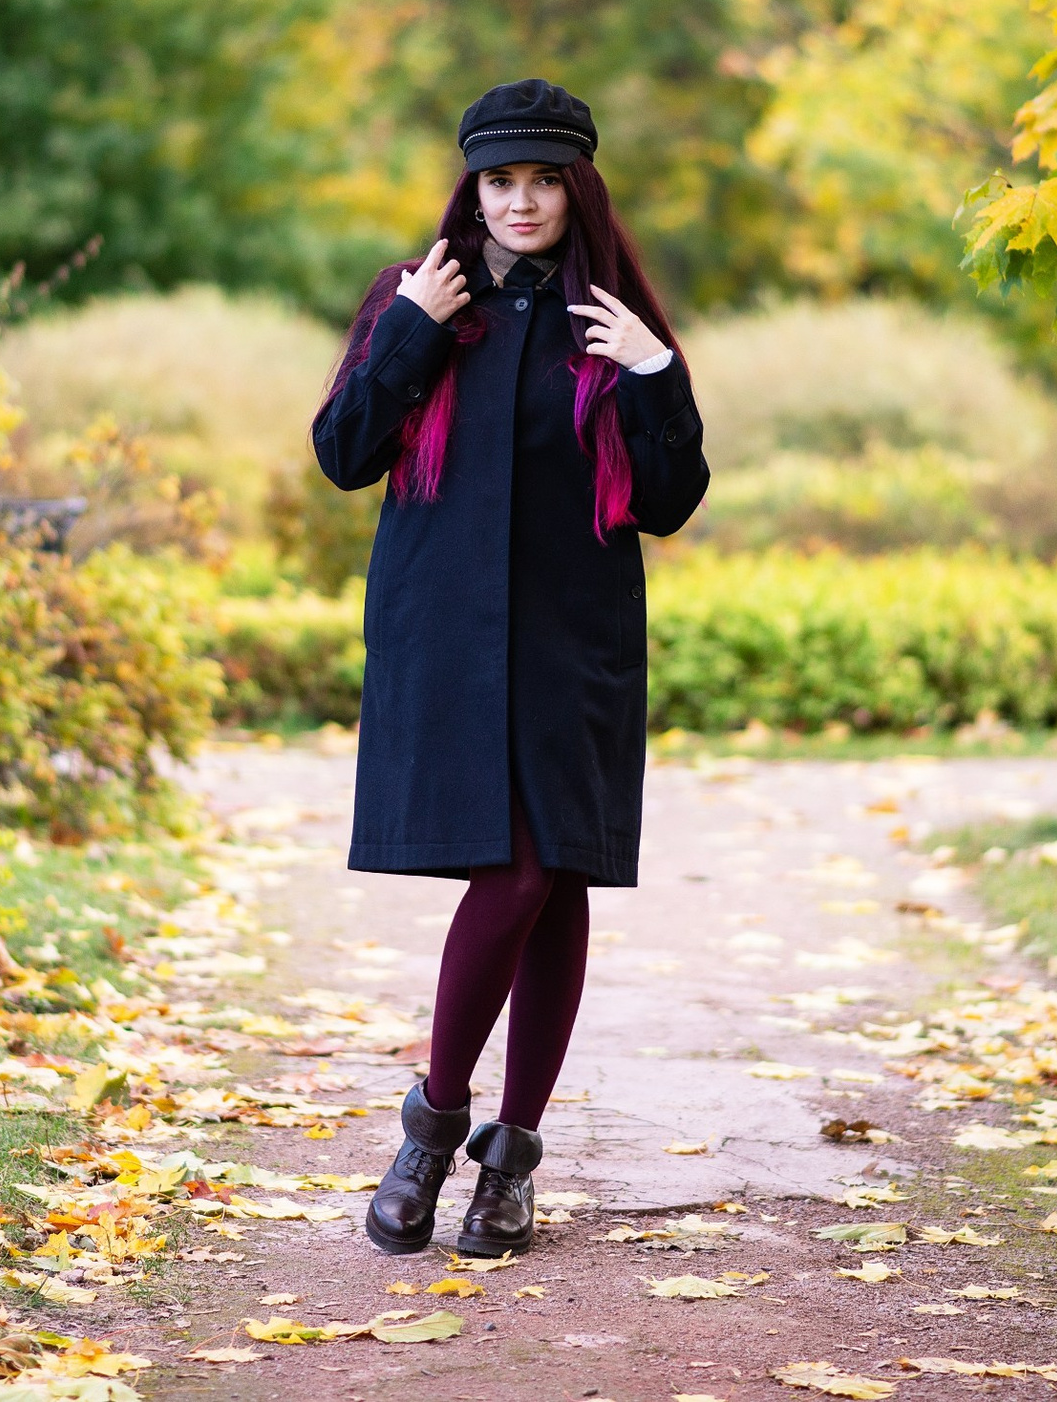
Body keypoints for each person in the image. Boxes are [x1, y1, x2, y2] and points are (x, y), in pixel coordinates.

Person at [312, 78, 709, 1258]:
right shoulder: (417, 298)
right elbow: (344, 453)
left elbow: (673, 500)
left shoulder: (615, 318)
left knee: (551, 876)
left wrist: (655, 376)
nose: (521, 201)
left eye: (543, 179)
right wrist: (410, 333)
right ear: (470, 186)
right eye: (500, 180)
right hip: (447, 635)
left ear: (575, 185)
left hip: (573, 641)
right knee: (532, 878)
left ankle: (490, 1151)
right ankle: (445, 1129)